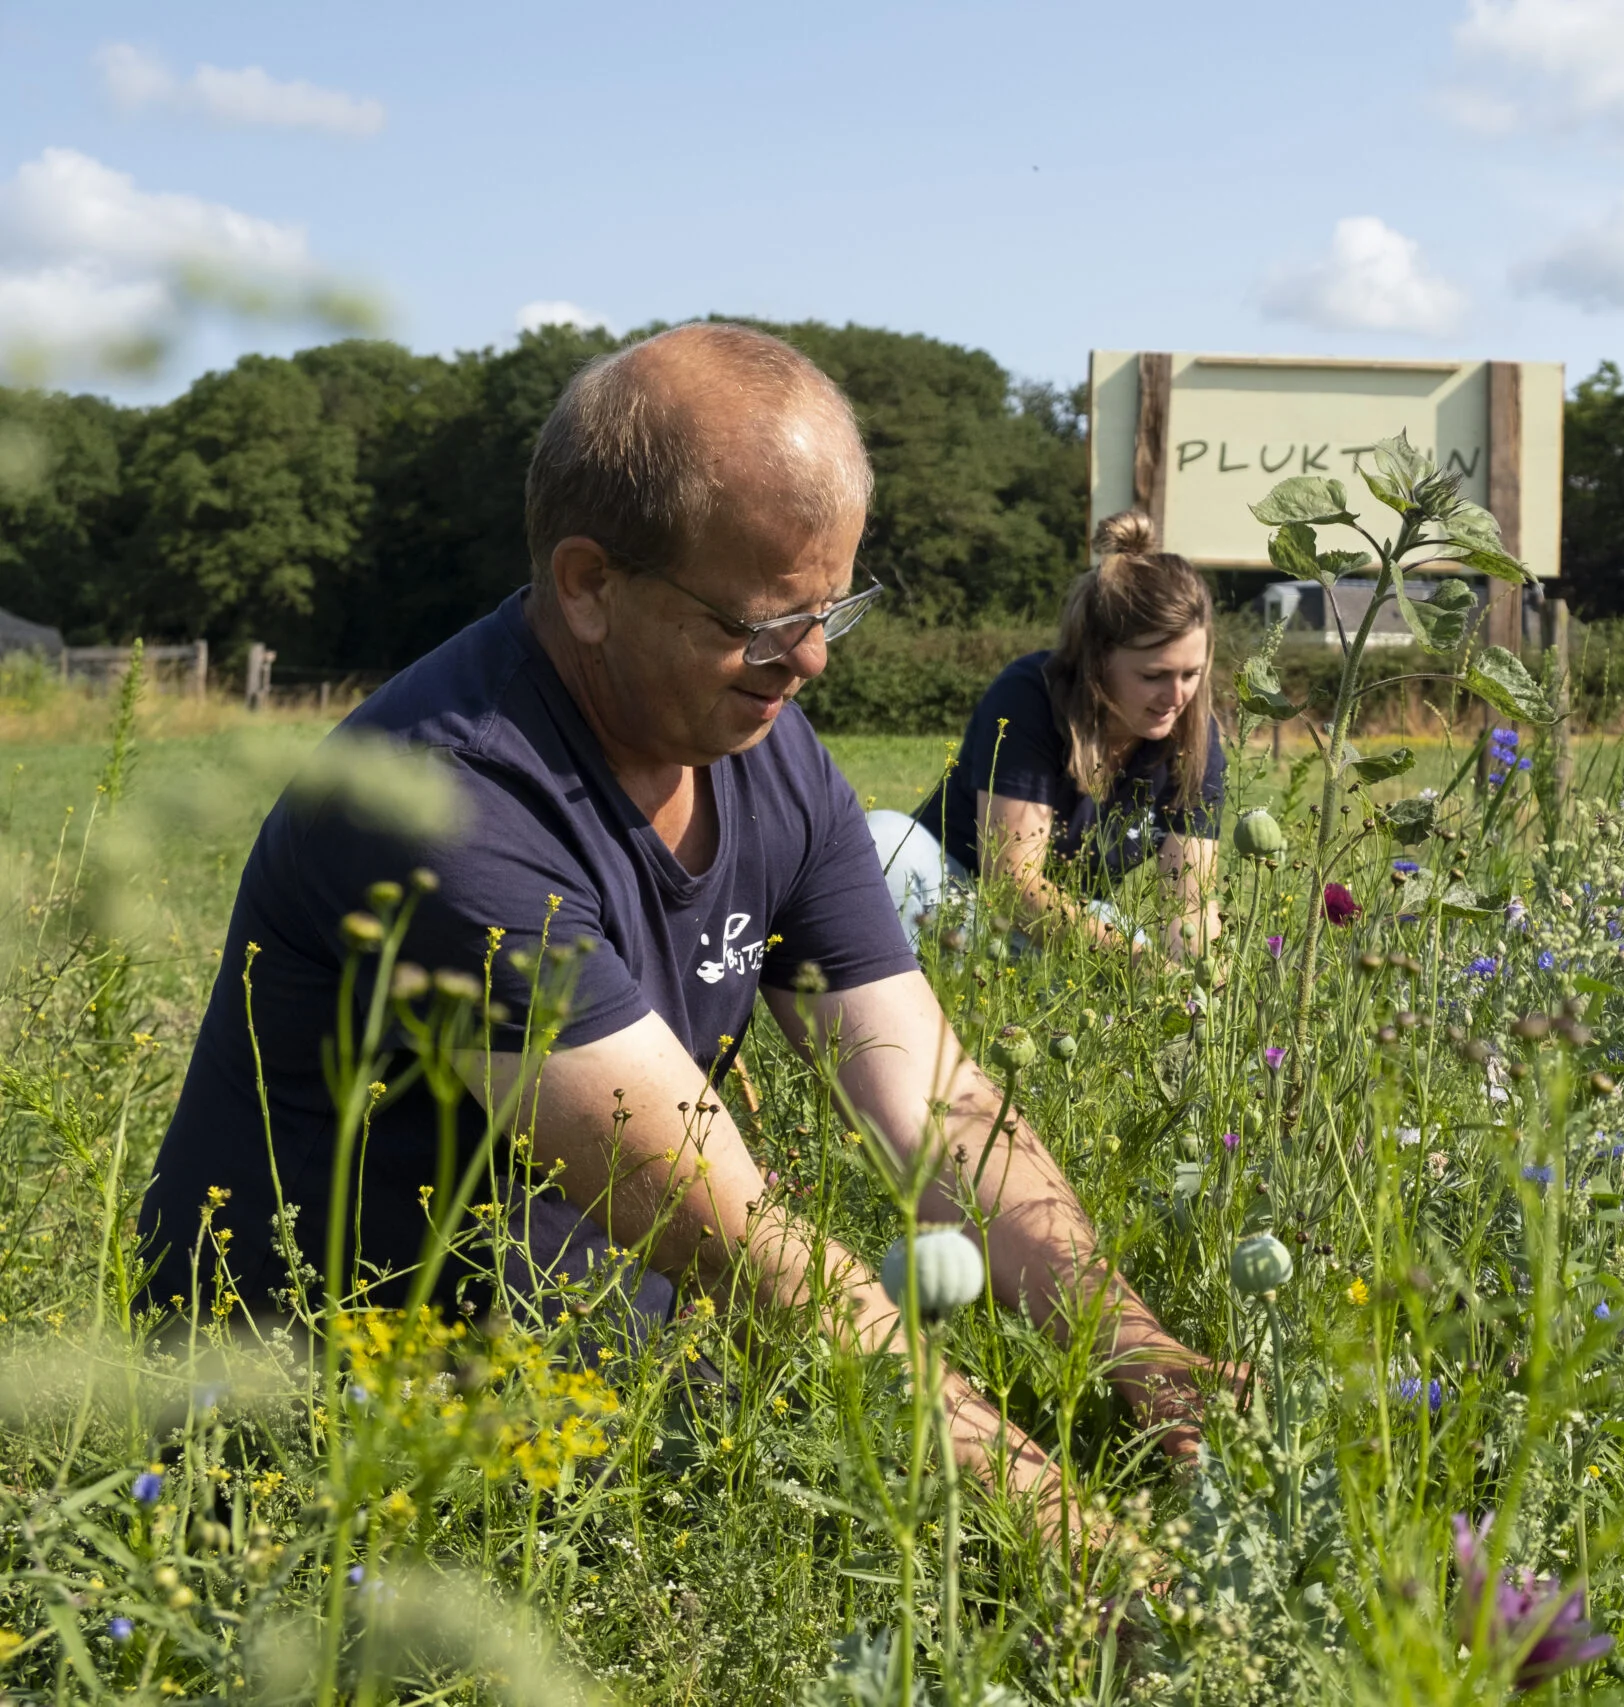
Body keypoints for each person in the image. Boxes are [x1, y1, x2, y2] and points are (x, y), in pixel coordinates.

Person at [136, 322, 1222, 1519]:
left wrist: (1142, 1358)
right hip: (334, 1442)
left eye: (832, 608)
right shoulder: (446, 806)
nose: (810, 661)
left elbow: (938, 1109)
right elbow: (742, 1248)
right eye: (761, 624)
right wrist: (1076, 1540)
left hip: (597, 1381)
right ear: (590, 586)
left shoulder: (766, 753)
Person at [872, 511, 1223, 961]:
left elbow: (1188, 903)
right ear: (1098, 663)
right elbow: (1011, 882)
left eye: (1190, 674)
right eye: (1154, 675)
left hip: (1066, 922)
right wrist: (1137, 966)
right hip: (957, 900)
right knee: (884, 839)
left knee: (1133, 945)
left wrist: (1202, 991)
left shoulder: (1194, 734)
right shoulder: (1029, 696)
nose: (1176, 697)